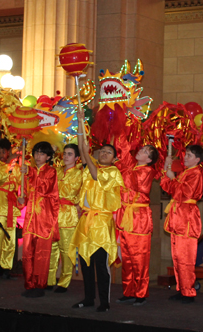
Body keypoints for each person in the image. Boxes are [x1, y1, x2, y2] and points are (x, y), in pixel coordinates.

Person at [68, 109, 124, 313]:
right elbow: (83, 150)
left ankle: (104, 301)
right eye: (102, 152)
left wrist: (89, 157)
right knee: (86, 262)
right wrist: (81, 124)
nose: (103, 154)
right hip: (87, 221)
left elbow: (94, 172)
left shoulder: (112, 172)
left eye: (108, 152)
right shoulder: (91, 166)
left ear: (115, 158)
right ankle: (88, 298)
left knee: (101, 263)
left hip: (101, 223)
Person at [114, 132, 159, 306]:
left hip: (138, 218)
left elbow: (134, 184)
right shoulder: (132, 167)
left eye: (146, 151)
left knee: (139, 257)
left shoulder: (147, 171)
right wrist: (124, 129)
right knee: (126, 257)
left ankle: (141, 292)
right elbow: (123, 150)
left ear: (149, 160)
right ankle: (128, 290)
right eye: (142, 148)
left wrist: (124, 165)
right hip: (126, 215)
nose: (141, 150)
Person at [161, 145, 203, 304]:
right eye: (186, 154)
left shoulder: (196, 173)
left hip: (186, 217)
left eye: (190, 155)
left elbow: (183, 193)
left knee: (185, 256)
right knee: (178, 256)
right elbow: (168, 187)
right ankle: (182, 288)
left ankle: (188, 291)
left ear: (198, 160)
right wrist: (167, 172)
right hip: (178, 216)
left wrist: (172, 177)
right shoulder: (186, 173)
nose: (185, 157)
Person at [19, 141, 59, 298]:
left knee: (42, 254)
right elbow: (31, 192)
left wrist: (30, 173)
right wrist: (23, 198)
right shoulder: (31, 172)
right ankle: (29, 284)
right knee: (27, 253)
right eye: (36, 152)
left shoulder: (51, 172)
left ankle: (40, 285)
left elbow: (44, 188)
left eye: (42, 153)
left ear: (48, 157)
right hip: (30, 217)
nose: (38, 156)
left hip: (44, 218)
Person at [47, 143, 82, 293]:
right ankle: (49, 280)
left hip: (68, 214)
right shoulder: (56, 171)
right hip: (52, 213)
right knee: (51, 249)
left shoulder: (79, 173)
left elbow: (70, 191)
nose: (66, 156)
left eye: (69, 154)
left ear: (77, 158)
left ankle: (64, 281)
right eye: (65, 153)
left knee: (67, 250)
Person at [0, 138, 21, 278]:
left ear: (8, 152)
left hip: (11, 204)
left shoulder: (17, 167)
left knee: (10, 238)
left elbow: (21, 183)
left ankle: (6, 267)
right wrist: (9, 166)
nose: (1, 154)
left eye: (4, 152)